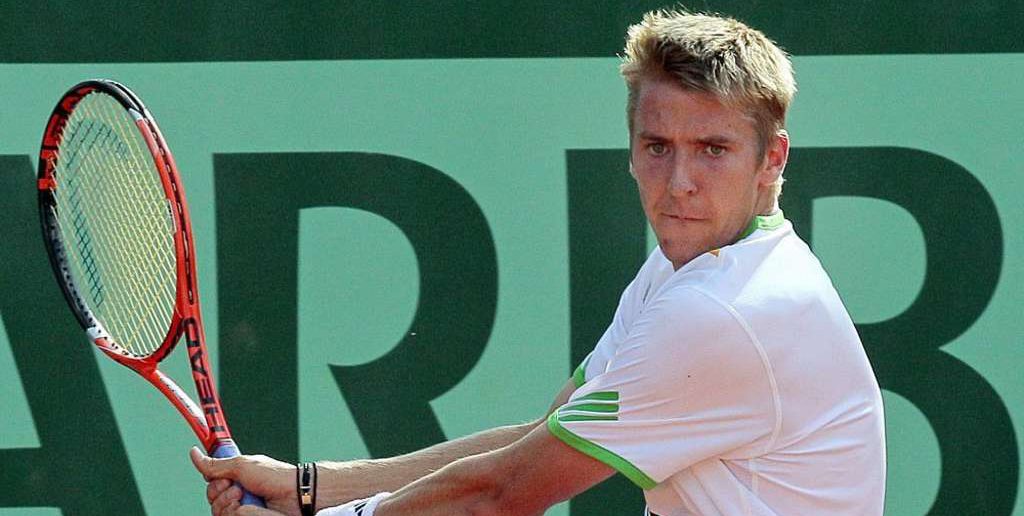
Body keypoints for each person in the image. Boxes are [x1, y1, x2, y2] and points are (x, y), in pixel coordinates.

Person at [192, 9, 886, 515]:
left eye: (713, 149)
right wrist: (310, 488)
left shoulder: (720, 311)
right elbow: (538, 440)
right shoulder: (693, 269)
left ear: (772, 158)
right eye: (657, 147)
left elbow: (501, 495)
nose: (679, 183)